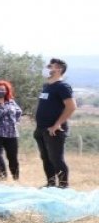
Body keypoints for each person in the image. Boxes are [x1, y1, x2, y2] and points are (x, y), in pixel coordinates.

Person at [34, 58, 77, 188]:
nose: (47, 68)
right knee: (46, 158)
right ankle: (50, 185)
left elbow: (71, 107)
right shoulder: (46, 86)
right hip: (41, 129)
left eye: (50, 66)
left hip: (54, 130)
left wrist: (57, 124)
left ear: (58, 69)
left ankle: (63, 187)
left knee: (56, 160)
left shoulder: (62, 86)